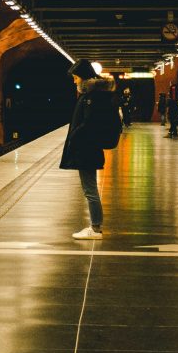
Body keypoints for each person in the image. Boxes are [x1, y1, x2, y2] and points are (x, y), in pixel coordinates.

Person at [59, 58, 120, 240]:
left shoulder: (91, 98)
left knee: (90, 190)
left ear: (83, 78)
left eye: (76, 77)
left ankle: (95, 228)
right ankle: (95, 227)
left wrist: (74, 138)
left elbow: (88, 123)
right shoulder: (97, 96)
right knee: (90, 189)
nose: (74, 81)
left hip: (86, 148)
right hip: (90, 147)